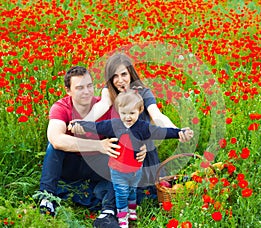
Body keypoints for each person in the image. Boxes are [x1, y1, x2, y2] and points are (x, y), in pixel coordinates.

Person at [71, 53, 194, 204]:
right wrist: (83, 123)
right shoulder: (109, 91)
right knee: (116, 188)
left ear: (131, 73)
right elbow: (101, 106)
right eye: (115, 76)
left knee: (149, 190)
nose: (120, 80)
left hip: (143, 154)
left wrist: (177, 131)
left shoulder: (143, 92)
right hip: (121, 155)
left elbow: (157, 115)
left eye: (124, 74)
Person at [38, 66, 146, 228]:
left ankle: (107, 213)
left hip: (97, 166)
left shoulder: (104, 107)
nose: (87, 92)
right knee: (53, 147)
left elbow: (128, 131)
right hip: (71, 164)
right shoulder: (61, 107)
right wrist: (98, 145)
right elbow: (56, 139)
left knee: (121, 153)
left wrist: (140, 147)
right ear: (68, 91)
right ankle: (47, 198)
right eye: (80, 88)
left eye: (89, 86)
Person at [73, 89, 194, 228]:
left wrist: (179, 132)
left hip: (136, 169)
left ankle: (132, 210)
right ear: (119, 111)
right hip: (118, 169)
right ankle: (122, 217)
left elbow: (161, 131)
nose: (128, 117)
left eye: (132, 113)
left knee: (132, 190)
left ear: (140, 110)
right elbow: (96, 127)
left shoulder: (142, 127)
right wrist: (81, 124)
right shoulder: (113, 125)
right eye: (124, 113)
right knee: (121, 193)